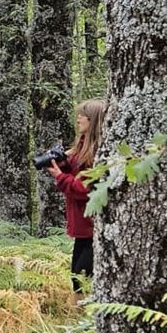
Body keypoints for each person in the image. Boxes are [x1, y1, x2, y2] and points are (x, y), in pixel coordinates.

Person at [47, 98, 108, 289]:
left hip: (93, 226)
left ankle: (81, 316)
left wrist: (60, 177)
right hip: (82, 226)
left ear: (93, 120)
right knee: (77, 278)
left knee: (82, 277)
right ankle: (76, 316)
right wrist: (62, 165)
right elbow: (73, 177)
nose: (79, 118)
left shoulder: (97, 152)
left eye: (83, 115)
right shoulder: (80, 147)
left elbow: (86, 189)